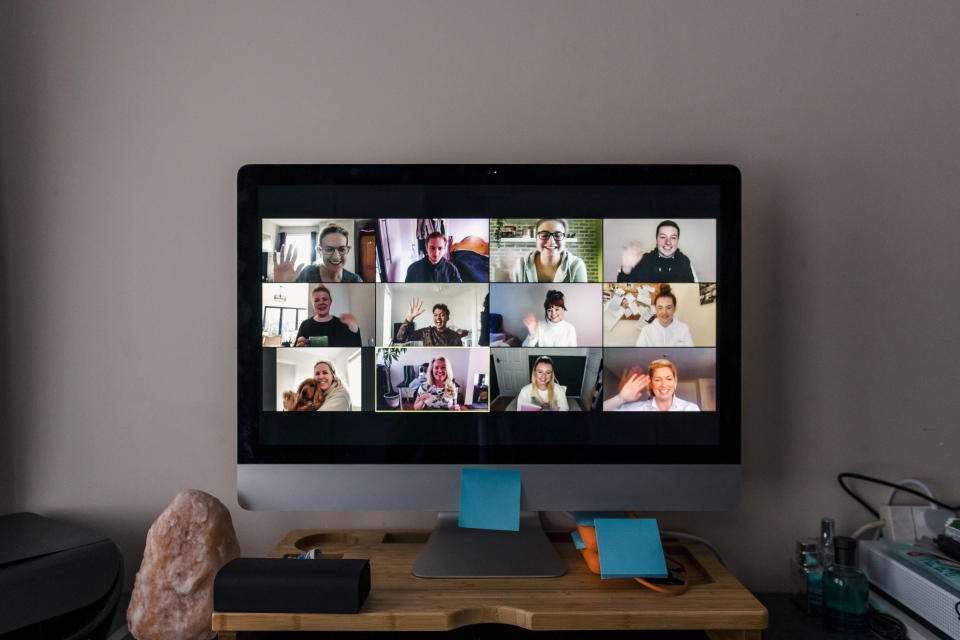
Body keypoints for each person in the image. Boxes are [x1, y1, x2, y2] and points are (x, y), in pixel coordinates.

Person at [273, 224, 364, 283]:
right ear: (319, 251)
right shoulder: (307, 273)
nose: (336, 256)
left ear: (347, 250)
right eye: (329, 249)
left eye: (341, 249)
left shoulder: (355, 280)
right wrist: (281, 284)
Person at [603, 358, 700, 412]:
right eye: (657, 379)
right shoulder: (637, 409)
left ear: (675, 382)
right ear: (651, 384)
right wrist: (621, 398)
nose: (664, 384)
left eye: (669, 379)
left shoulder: (691, 408)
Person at [617, 220, 697, 283]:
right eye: (663, 237)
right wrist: (626, 269)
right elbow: (623, 289)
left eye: (673, 237)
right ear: (656, 239)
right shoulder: (643, 259)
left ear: (677, 241)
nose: (668, 242)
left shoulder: (685, 261)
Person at [511, 218, 588, 282]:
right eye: (544, 235)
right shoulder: (521, 265)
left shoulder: (576, 265)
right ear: (536, 238)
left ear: (565, 239)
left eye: (557, 235)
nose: (551, 242)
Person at [295, 285, 362, 347]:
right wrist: (299, 346)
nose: (321, 302)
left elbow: (356, 344)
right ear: (312, 304)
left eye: (325, 299)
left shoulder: (342, 324)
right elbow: (297, 347)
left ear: (330, 302)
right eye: (316, 300)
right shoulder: (305, 325)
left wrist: (355, 328)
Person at [395, 299, 463, 346]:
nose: (438, 318)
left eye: (442, 315)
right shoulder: (426, 332)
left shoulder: (455, 337)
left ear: (447, 318)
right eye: (435, 315)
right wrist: (411, 317)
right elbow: (400, 337)